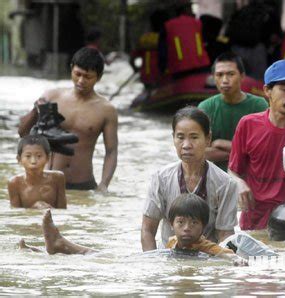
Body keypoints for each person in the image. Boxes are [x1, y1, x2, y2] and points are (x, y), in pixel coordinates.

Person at [228, 58, 285, 230]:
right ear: (267, 91)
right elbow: (233, 171)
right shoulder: (247, 124)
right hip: (255, 222)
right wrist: (239, 184)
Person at [19, 194, 247, 265]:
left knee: (101, 259)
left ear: (203, 227)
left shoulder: (203, 245)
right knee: (101, 256)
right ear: (171, 225)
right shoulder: (171, 243)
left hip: (148, 261)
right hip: (150, 259)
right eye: (181, 223)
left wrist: (236, 260)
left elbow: (227, 254)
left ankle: (61, 246)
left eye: (194, 224)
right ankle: (42, 250)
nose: (187, 229)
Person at [18, 47, 118, 191]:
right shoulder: (52, 97)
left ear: (99, 77)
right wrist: (35, 110)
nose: (81, 81)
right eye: (77, 74)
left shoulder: (106, 110)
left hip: (84, 185)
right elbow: (23, 133)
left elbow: (111, 151)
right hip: (48, 182)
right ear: (71, 69)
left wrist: (104, 184)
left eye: (88, 77)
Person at [141, 106, 237, 251]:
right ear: (173, 138)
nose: (186, 145)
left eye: (194, 137)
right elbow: (147, 230)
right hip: (169, 256)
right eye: (180, 137)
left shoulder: (225, 183)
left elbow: (225, 235)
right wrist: (154, 265)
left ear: (208, 139)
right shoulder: (161, 178)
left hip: (208, 259)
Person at [198, 52, 268, 171]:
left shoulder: (259, 105)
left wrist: (220, 144)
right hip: (216, 175)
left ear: (242, 76)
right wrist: (241, 153)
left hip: (251, 176)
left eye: (231, 74)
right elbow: (200, 153)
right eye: (219, 75)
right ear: (213, 77)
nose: (225, 80)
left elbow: (262, 150)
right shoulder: (205, 107)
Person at [8, 135, 67, 209]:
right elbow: (17, 215)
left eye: (39, 156)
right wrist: (33, 210)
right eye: (28, 156)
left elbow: (63, 211)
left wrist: (50, 212)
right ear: (19, 159)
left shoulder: (57, 178)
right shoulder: (14, 183)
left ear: (48, 158)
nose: (33, 161)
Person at [158, 3, 210, 76]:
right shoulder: (197, 23)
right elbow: (205, 42)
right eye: (191, 9)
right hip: (201, 66)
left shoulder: (167, 26)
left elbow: (162, 52)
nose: (193, 12)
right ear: (185, 10)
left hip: (179, 69)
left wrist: (162, 69)